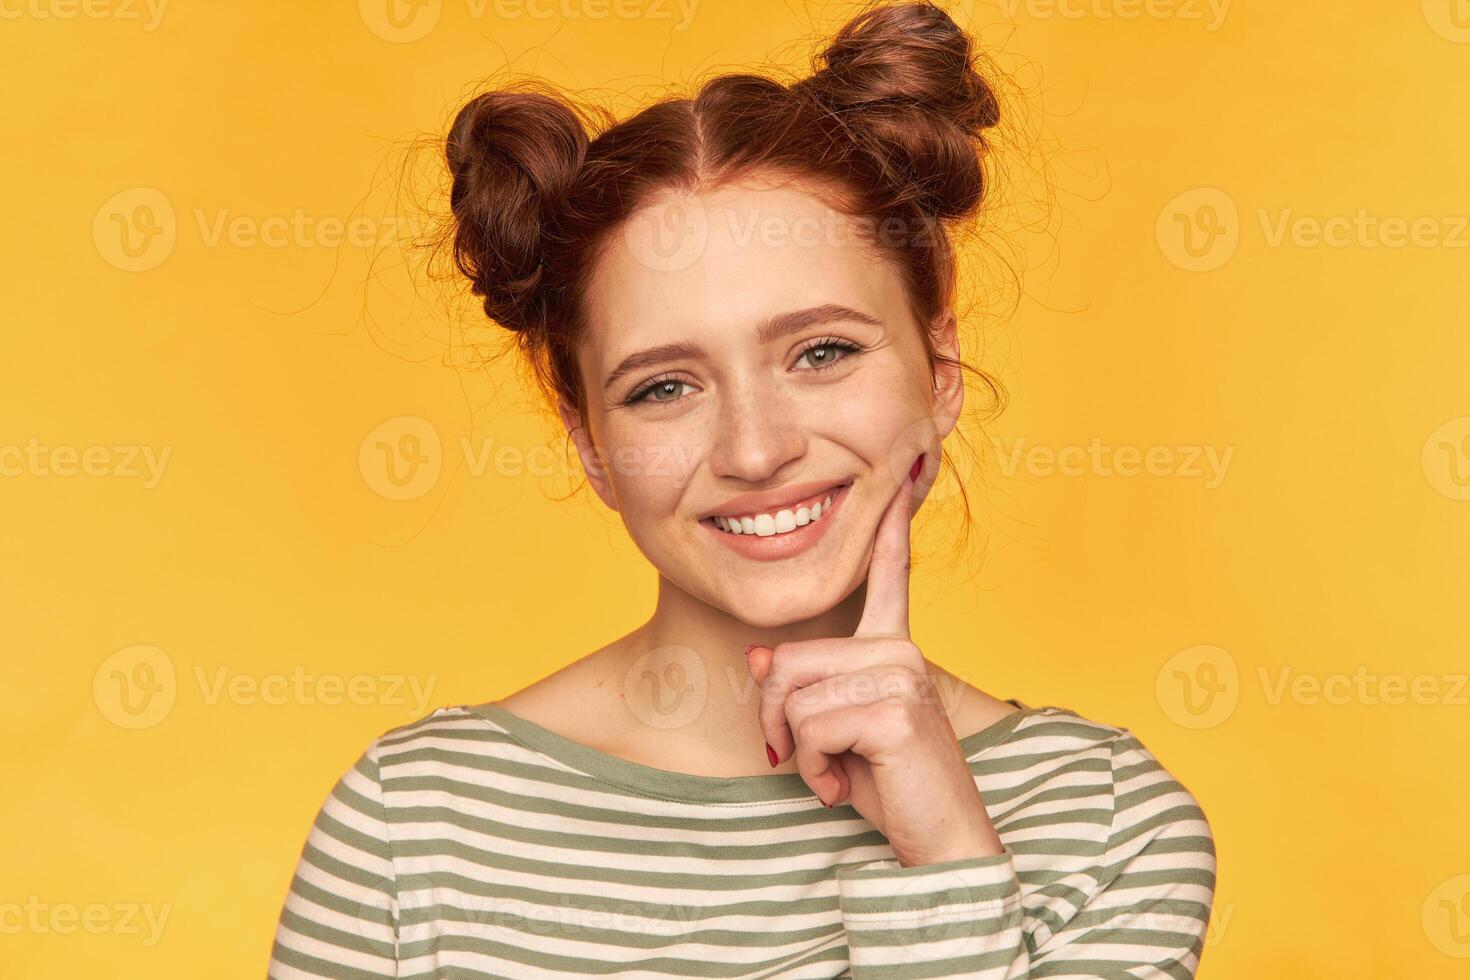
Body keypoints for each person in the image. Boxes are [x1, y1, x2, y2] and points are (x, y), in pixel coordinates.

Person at [268, 3, 1215, 976]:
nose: (755, 450)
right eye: (664, 386)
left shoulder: (1106, 819)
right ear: (588, 440)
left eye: (823, 350)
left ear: (939, 371)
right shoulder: (413, 824)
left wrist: (948, 860)